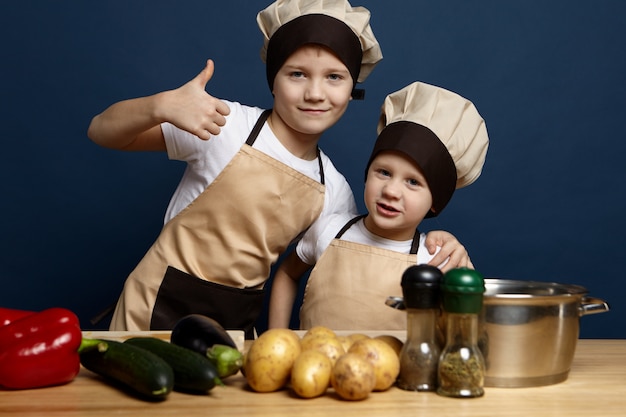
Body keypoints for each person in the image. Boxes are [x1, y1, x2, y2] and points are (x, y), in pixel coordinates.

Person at [87, 0, 469, 338]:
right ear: (274, 79)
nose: (315, 93)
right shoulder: (225, 125)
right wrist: (160, 106)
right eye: (297, 73)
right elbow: (102, 131)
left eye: (334, 77)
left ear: (353, 87)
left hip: (235, 325)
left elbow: (366, 246)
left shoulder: (333, 189)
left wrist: (442, 241)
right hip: (154, 308)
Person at [269, 81, 489, 331]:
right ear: (367, 173)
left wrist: (464, 271)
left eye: (413, 182)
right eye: (383, 172)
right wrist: (277, 336)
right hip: (317, 367)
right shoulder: (329, 229)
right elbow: (287, 273)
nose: (392, 191)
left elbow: (467, 322)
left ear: (436, 203)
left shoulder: (434, 259)